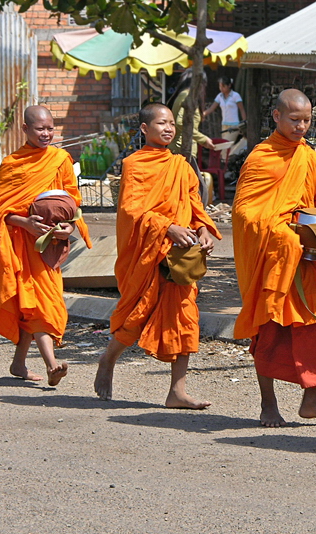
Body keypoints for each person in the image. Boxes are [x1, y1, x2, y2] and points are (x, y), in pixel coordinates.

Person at [232, 88, 316, 427]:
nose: (301, 127)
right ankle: (268, 405)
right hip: (274, 261)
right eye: (294, 120)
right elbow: (245, 213)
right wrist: (285, 233)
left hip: (307, 258)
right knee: (269, 331)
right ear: (277, 117)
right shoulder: (261, 156)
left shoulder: (310, 158)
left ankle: (312, 401)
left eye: (307, 121)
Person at [94, 103, 221, 407]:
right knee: (136, 316)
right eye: (161, 123)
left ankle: (177, 391)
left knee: (185, 317)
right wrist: (167, 227)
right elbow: (131, 210)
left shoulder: (181, 165)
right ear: (144, 129)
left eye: (171, 124)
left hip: (178, 256)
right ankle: (108, 360)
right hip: (147, 255)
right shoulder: (134, 165)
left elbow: (195, 205)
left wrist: (203, 230)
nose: (168, 128)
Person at [0, 106, 91, 384]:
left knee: (35, 303)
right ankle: (51, 364)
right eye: (39, 129)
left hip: (49, 246)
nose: (46, 134)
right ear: (25, 129)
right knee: (36, 304)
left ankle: (19, 364)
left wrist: (70, 225)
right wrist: (27, 224)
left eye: (50, 128)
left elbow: (72, 200)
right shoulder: (12, 164)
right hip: (21, 245)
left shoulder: (60, 159)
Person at [168, 69, 216, 159]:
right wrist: (203, 139)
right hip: (182, 150)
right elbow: (180, 122)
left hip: (183, 149)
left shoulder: (184, 95)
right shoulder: (187, 96)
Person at [202, 75, 247, 154]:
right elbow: (211, 108)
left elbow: (242, 110)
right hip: (224, 126)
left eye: (223, 86)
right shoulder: (219, 96)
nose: (221, 88)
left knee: (225, 148)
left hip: (234, 126)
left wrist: (244, 123)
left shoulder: (235, 95)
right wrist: (201, 115)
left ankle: (226, 162)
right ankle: (230, 160)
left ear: (229, 85)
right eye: (220, 86)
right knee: (226, 147)